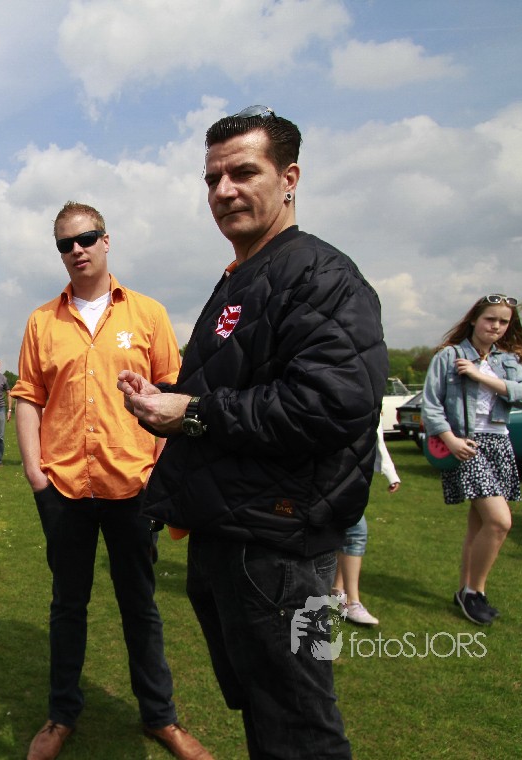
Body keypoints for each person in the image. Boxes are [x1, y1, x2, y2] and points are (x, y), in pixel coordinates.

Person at [118, 106, 388, 758]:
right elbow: (235, 385)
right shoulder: (244, 273)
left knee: (301, 724)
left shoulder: (322, 276)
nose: (224, 191)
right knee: (267, 712)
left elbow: (330, 405)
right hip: (235, 536)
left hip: (282, 548)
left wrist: (192, 412)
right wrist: (168, 397)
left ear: (289, 178)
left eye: (243, 173)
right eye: (212, 178)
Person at [13, 201, 212, 760]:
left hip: (133, 486)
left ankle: (161, 718)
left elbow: (174, 393)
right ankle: (61, 716)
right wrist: (34, 473)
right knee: (67, 605)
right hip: (64, 489)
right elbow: (28, 397)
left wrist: (161, 471)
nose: (76, 250)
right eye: (65, 243)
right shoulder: (41, 321)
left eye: (86, 238)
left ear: (106, 240)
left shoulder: (147, 314)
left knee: (140, 606)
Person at [423, 295, 522, 625]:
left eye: (503, 321)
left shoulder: (507, 361)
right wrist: (450, 440)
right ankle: (474, 592)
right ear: (474, 319)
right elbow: (431, 405)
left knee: (480, 524)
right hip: (467, 444)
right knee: (500, 522)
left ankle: (466, 590)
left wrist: (480, 376)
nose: (496, 326)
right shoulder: (449, 356)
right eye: (490, 319)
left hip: (499, 443)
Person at [332, 422, 401, 627]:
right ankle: (351, 602)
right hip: (335, 473)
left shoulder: (369, 404)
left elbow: (375, 435)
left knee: (346, 532)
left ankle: (337, 591)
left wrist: (390, 473)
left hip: (350, 475)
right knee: (356, 532)